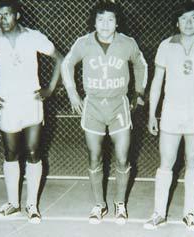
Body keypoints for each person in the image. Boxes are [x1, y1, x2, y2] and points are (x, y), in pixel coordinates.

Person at [0, 0, 63, 224]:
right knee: (11, 153)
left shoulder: (33, 36)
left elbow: (59, 59)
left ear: (17, 15)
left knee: (34, 151)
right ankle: (13, 203)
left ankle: (32, 204)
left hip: (31, 101)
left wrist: (50, 88)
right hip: (8, 103)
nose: (2, 18)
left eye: (7, 14)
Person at [61, 0, 147, 225]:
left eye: (110, 19)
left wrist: (138, 92)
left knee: (122, 156)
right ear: (94, 22)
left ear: (117, 22)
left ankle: (120, 203)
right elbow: (66, 64)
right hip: (94, 106)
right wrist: (72, 93)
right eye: (101, 20)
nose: (105, 24)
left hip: (119, 105)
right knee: (94, 156)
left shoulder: (127, 43)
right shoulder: (84, 43)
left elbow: (141, 65)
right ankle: (99, 204)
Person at [144, 1, 194, 231]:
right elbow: (157, 81)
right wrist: (152, 114)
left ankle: (189, 213)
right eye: (183, 19)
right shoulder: (166, 45)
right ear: (176, 22)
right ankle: (159, 213)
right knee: (166, 162)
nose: (188, 23)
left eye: (193, 18)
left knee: (193, 160)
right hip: (171, 111)